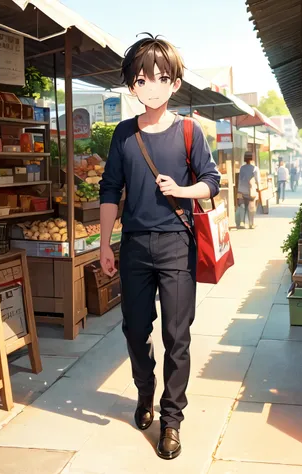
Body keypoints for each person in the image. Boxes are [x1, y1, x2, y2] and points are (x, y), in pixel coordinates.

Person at [99, 34, 220, 461]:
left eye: (162, 77)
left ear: (174, 83)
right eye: (142, 78)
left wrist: (183, 190)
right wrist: (104, 245)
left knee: (177, 336)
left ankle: (172, 419)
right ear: (132, 84)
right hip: (132, 246)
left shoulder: (189, 131)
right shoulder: (123, 134)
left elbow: (212, 183)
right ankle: (145, 390)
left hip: (176, 245)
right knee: (135, 330)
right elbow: (110, 188)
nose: (152, 85)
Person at [235, 152, 260, 229]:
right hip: (250, 191)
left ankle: (242, 222)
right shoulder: (255, 168)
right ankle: (251, 224)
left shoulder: (242, 168)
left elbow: (240, 179)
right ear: (252, 158)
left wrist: (239, 189)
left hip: (241, 190)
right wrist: (258, 188)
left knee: (242, 206)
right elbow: (257, 180)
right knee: (251, 207)